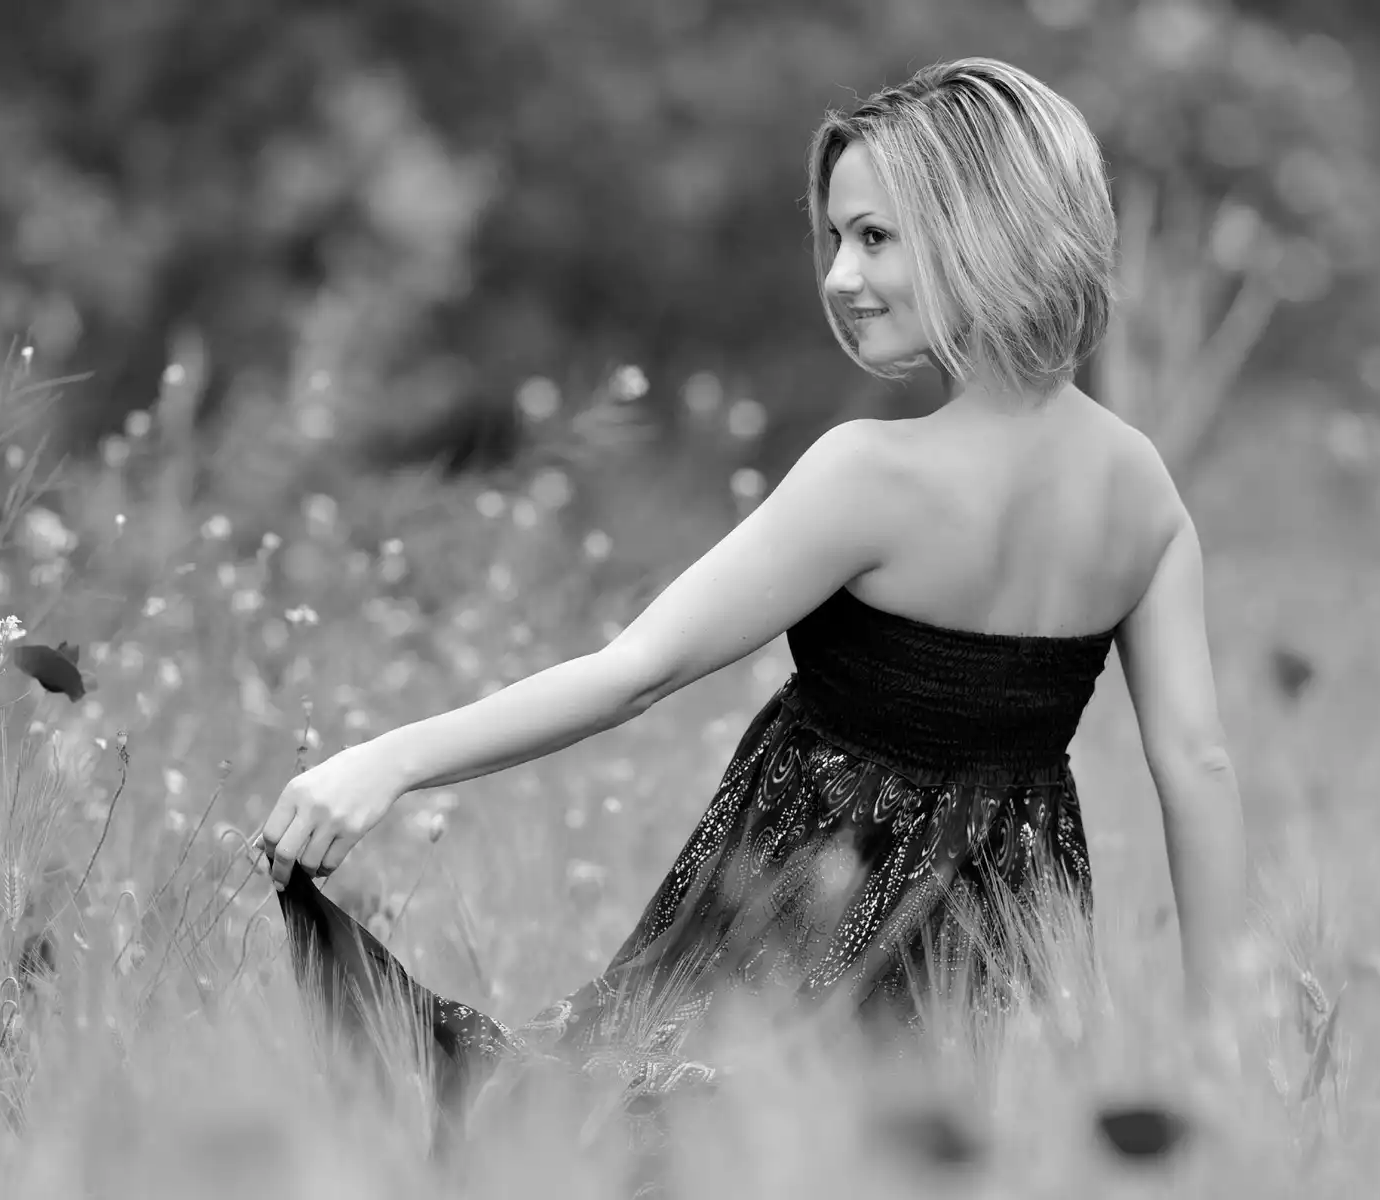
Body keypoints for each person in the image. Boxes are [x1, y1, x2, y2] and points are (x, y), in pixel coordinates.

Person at [258, 55, 1246, 1178]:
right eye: (836, 239)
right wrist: (1220, 1046)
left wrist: (388, 762)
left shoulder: (869, 474)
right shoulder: (1145, 491)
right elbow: (1199, 769)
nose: (839, 276)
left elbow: (636, 669)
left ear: (984, 228)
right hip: (1007, 962)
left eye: (876, 237)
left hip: (806, 934)